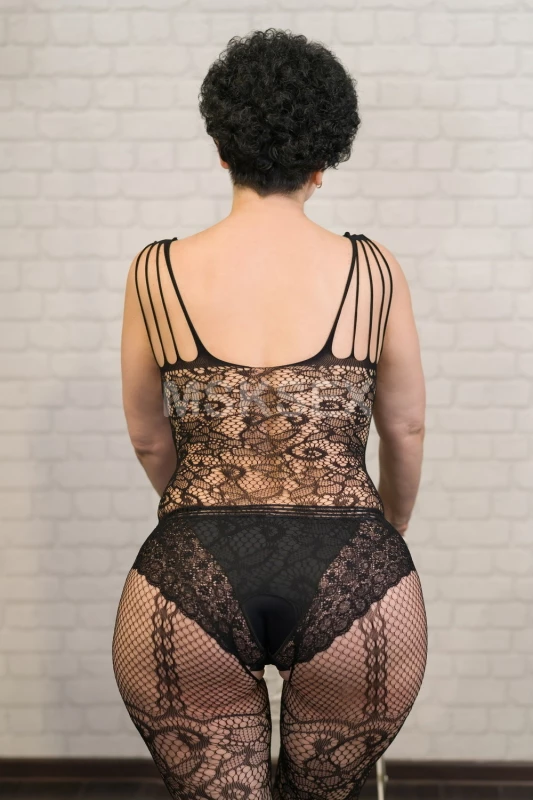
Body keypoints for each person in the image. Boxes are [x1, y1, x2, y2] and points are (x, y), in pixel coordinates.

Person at [112, 28, 427, 800]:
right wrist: (385, 528)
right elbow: (405, 427)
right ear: (323, 160)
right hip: (355, 569)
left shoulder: (156, 271)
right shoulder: (371, 269)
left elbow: (149, 438)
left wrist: (197, 515)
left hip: (190, 568)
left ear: (222, 149)